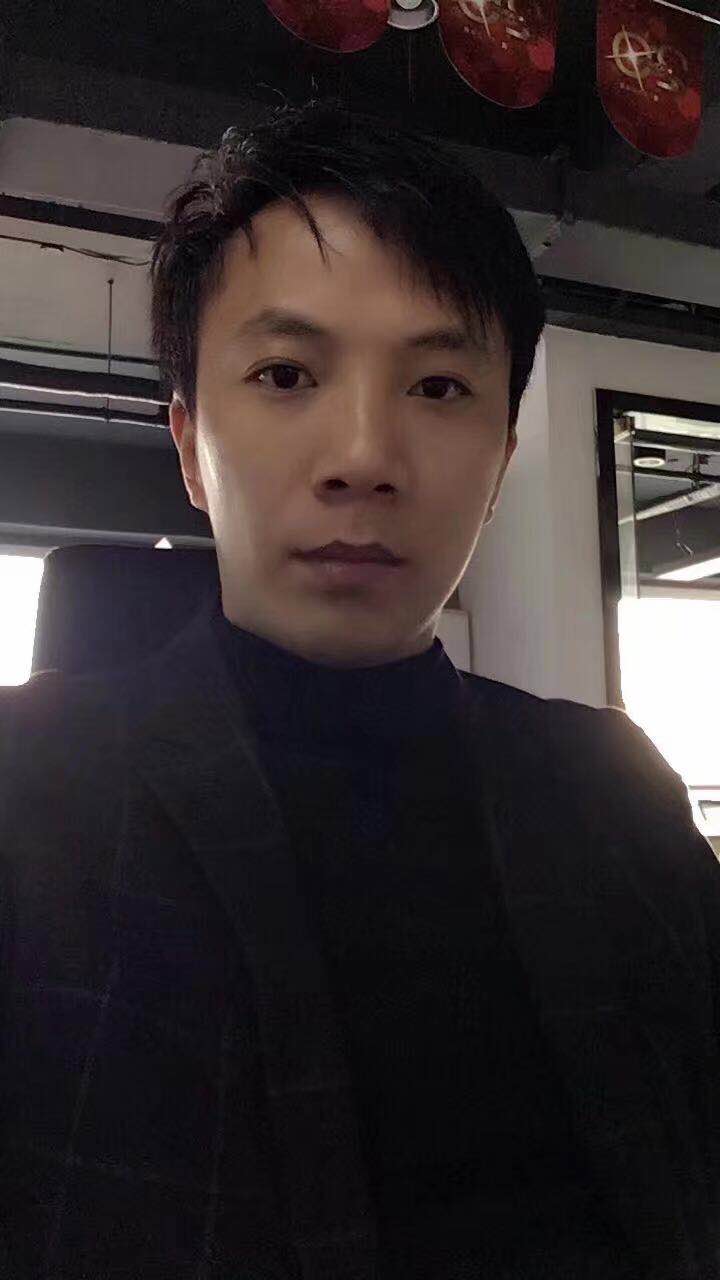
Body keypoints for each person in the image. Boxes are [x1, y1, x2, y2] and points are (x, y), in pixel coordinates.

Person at [1, 98, 718, 1280]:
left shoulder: (615, 790)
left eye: (438, 387)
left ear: (500, 461)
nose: (365, 458)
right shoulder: (29, 800)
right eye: (285, 372)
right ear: (188, 445)